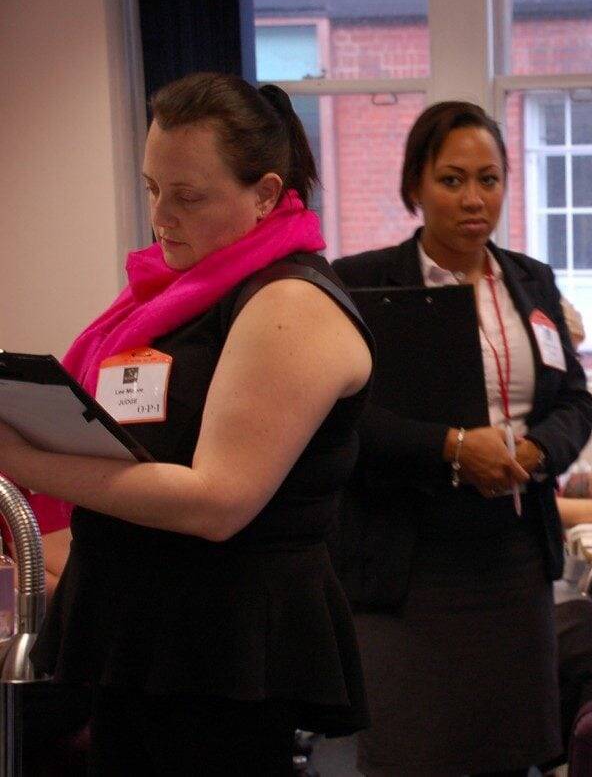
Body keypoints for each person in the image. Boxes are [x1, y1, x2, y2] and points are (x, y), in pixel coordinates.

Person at [0, 72, 374, 773]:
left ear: (265, 194)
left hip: (220, 646)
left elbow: (217, 502)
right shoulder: (177, 296)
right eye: (152, 189)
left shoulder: (289, 303)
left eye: (188, 196)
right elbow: (134, 456)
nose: (161, 217)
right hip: (145, 631)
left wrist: (23, 460)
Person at [331, 101, 592, 776]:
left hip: (513, 558)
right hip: (405, 562)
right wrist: (451, 447)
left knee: (507, 752)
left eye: (489, 179)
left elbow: (575, 401)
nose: (474, 199)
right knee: (410, 754)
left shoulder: (531, 281)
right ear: (415, 187)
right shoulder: (361, 281)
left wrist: (539, 451)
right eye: (452, 180)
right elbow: (343, 415)